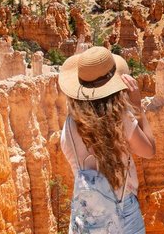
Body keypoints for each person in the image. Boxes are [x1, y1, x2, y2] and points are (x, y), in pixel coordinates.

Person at [59, 46, 156, 233]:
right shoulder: (120, 119)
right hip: (123, 212)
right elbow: (149, 151)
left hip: (86, 217)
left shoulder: (69, 126)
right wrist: (137, 108)